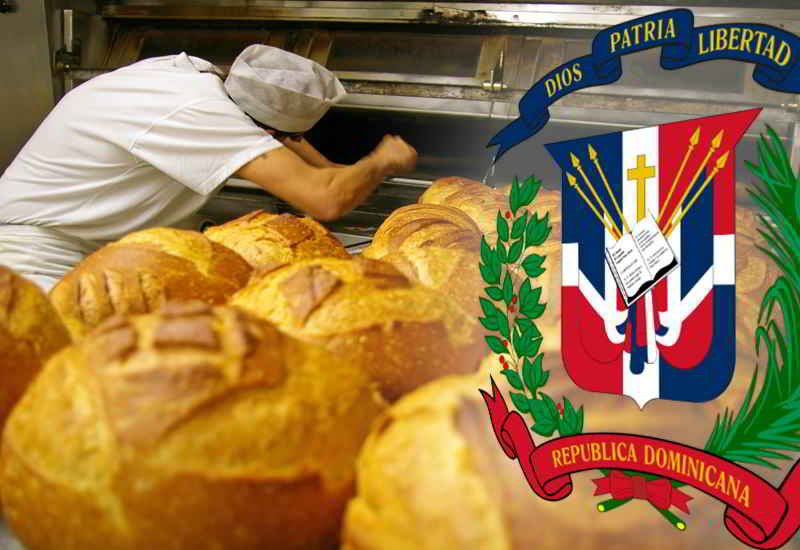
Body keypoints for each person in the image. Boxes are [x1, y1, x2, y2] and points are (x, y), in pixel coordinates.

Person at [0, 44, 417, 291]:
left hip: (94, 251)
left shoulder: (191, 79)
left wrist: (342, 168)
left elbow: (302, 152)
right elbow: (324, 199)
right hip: (35, 257)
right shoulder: (198, 112)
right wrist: (382, 160)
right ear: (262, 126)